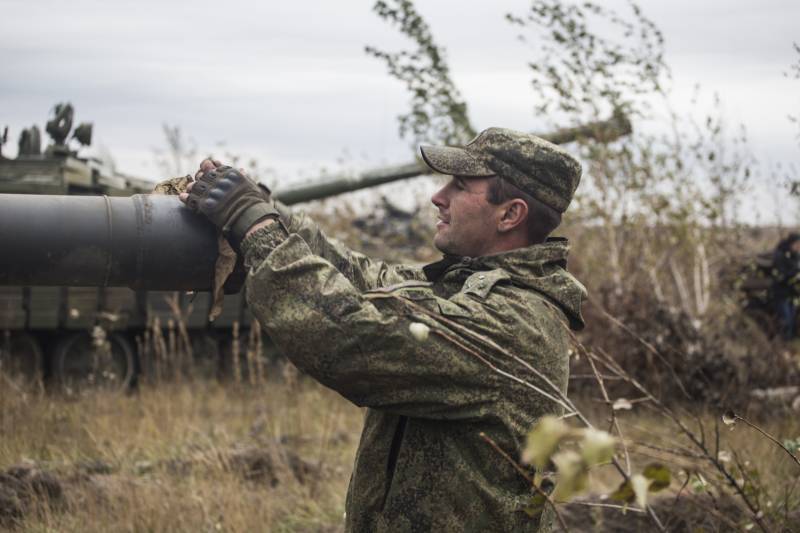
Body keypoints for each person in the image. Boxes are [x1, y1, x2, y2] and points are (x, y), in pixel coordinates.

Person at [180, 128, 587, 532]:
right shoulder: (465, 286)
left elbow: (352, 337)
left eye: (460, 186)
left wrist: (255, 227)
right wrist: (267, 209)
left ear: (510, 214)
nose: (438, 197)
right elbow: (365, 278)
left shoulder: (514, 322)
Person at [772, 233, 800, 340]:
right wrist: (794, 273)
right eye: (797, 244)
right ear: (791, 243)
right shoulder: (780, 255)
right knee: (786, 320)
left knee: (792, 320)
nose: (799, 246)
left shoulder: (796, 255)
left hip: (791, 293)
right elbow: (781, 275)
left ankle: (790, 343)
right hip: (781, 293)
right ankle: (782, 343)